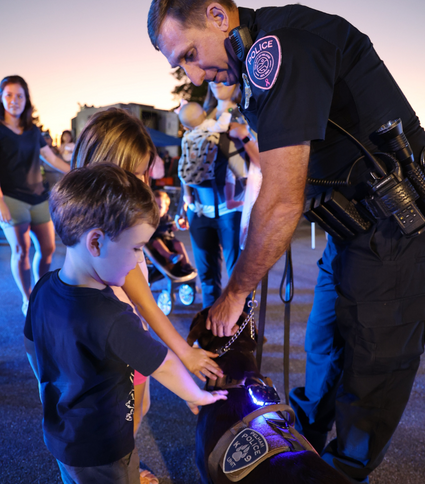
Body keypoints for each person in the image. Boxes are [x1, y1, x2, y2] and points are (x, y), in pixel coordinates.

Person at [148, 1, 425, 483]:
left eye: (191, 53)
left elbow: (279, 201)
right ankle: (299, 451)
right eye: (182, 65)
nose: (194, 74)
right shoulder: (259, 53)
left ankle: (339, 473)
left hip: (393, 235)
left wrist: (236, 293)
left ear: (218, 15)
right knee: (322, 349)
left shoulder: (278, 47)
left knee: (372, 373)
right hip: (352, 231)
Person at [24, 163, 227, 484]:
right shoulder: (112, 315)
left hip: (61, 435)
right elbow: (163, 365)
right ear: (95, 242)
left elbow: (32, 348)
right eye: (134, 248)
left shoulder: (44, 287)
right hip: (104, 447)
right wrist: (198, 396)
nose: (137, 261)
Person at [71, 107, 223, 483]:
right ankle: (121, 470)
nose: (143, 180)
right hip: (118, 350)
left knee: (135, 410)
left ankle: (125, 464)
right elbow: (143, 303)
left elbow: (142, 301)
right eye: (136, 172)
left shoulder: (90, 224)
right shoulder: (108, 241)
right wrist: (191, 381)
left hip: (120, 346)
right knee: (121, 419)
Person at [179, 82, 259, 308]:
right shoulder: (199, 117)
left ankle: (243, 335)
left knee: (239, 279)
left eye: (225, 78)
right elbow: (185, 164)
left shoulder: (245, 116)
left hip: (231, 210)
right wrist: (184, 206)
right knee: (207, 279)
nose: (216, 81)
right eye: (213, 78)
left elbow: (261, 162)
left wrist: (243, 135)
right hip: (199, 211)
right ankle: (211, 336)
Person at [0, 75, 70, 316]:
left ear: (26, 99)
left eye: (19, 95)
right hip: (10, 198)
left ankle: (40, 291)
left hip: (38, 196)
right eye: (8, 94)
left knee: (49, 248)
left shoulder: (32, 131)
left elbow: (51, 158)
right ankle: (27, 298)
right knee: (21, 250)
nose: (14, 100)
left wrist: (78, 172)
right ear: (1, 98)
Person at [179, 101, 244, 210]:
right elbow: (222, 126)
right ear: (204, 114)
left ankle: (189, 198)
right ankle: (230, 200)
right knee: (230, 173)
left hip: (189, 178)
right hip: (209, 175)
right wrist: (228, 112)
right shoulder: (208, 125)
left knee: (184, 165)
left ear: (185, 127)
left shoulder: (187, 136)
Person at [149, 189, 195, 274]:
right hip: (155, 239)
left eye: (159, 207)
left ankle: (186, 265)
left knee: (179, 244)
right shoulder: (150, 219)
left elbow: (173, 226)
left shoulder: (167, 218)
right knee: (157, 243)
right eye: (153, 206)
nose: (156, 209)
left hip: (168, 238)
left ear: (166, 209)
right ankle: (171, 256)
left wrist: (175, 227)